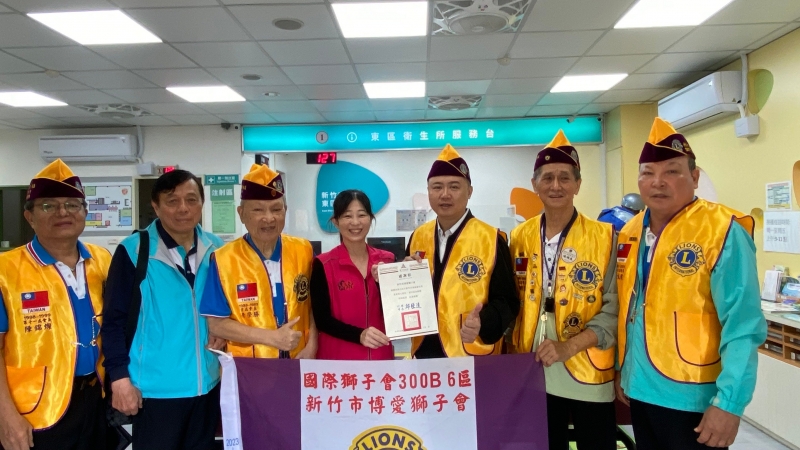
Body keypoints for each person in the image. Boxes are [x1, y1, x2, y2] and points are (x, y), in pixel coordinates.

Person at [615, 118, 767, 450]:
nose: (658, 182)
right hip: (639, 391)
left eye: (672, 171)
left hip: (695, 395)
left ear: (695, 177)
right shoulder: (630, 232)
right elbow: (630, 308)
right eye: (648, 173)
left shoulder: (722, 231)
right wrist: (623, 372)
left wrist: (729, 404)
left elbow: (743, 325)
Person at [509, 130, 618, 450]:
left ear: (578, 184)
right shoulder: (519, 236)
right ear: (534, 184)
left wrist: (569, 347)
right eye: (547, 178)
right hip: (532, 369)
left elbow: (615, 308)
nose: (555, 186)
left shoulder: (606, 237)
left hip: (588, 368)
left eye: (565, 178)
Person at [102, 169, 225, 450]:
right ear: (156, 206)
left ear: (202, 203)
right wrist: (119, 378)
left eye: (191, 199)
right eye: (172, 201)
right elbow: (114, 321)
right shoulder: (134, 251)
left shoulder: (217, 249)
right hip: (154, 390)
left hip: (206, 385)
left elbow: (224, 306)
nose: (183, 208)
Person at [0, 159, 111, 450]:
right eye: (48, 206)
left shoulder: (102, 261)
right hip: (33, 409)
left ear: (85, 212)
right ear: (29, 216)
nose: (63, 212)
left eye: (72, 205)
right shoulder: (5, 271)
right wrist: (6, 417)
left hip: (95, 399)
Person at [406, 144, 518, 358]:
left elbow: (507, 301)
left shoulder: (491, 238)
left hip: (470, 352)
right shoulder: (418, 236)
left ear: (469, 192)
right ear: (428, 191)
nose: (445, 194)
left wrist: (483, 322)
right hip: (424, 352)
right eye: (437, 187)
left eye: (454, 187)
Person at [200, 164, 318, 359]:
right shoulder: (224, 259)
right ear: (241, 213)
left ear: (285, 210)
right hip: (248, 366)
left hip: (300, 359)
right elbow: (217, 324)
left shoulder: (303, 250)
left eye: (276, 209)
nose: (269, 218)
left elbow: (313, 305)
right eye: (258, 210)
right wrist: (272, 338)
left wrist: (312, 344)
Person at [311, 190, 396, 360]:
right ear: (336, 221)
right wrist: (359, 335)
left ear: (370, 218)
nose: (355, 222)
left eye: (362, 215)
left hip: (380, 358)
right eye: (347, 216)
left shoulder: (387, 260)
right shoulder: (323, 264)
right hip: (337, 360)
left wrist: (383, 284)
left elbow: (395, 311)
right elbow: (322, 319)